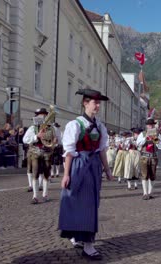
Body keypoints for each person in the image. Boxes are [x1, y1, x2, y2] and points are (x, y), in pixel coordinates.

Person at [59, 89, 113, 260]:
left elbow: (102, 149)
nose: (97, 106)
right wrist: (66, 174)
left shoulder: (100, 126)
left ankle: (87, 243)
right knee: (75, 201)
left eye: (99, 103)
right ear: (85, 103)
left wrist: (107, 169)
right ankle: (80, 238)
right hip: (78, 165)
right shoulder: (75, 124)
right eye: (94, 102)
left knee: (92, 203)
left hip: (94, 166)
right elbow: (69, 151)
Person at [23, 107, 57, 204]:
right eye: (40, 115)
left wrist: (55, 141)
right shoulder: (32, 128)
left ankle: (45, 194)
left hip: (47, 152)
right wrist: (36, 136)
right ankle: (35, 196)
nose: (42, 116)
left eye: (44, 114)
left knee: (46, 173)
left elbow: (58, 139)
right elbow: (25, 140)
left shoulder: (52, 128)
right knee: (36, 173)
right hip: (35, 152)